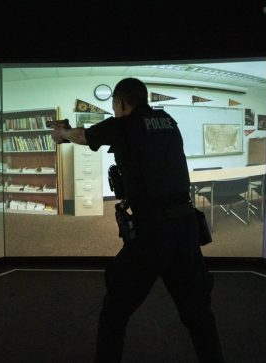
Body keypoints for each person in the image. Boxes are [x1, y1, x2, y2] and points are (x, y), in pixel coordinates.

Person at [52, 78, 225, 362]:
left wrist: (64, 132)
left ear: (120, 103)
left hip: (152, 234)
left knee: (115, 309)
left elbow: (83, 136)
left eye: (114, 106)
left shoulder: (124, 124)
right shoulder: (168, 121)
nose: (115, 111)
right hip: (185, 228)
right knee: (198, 313)